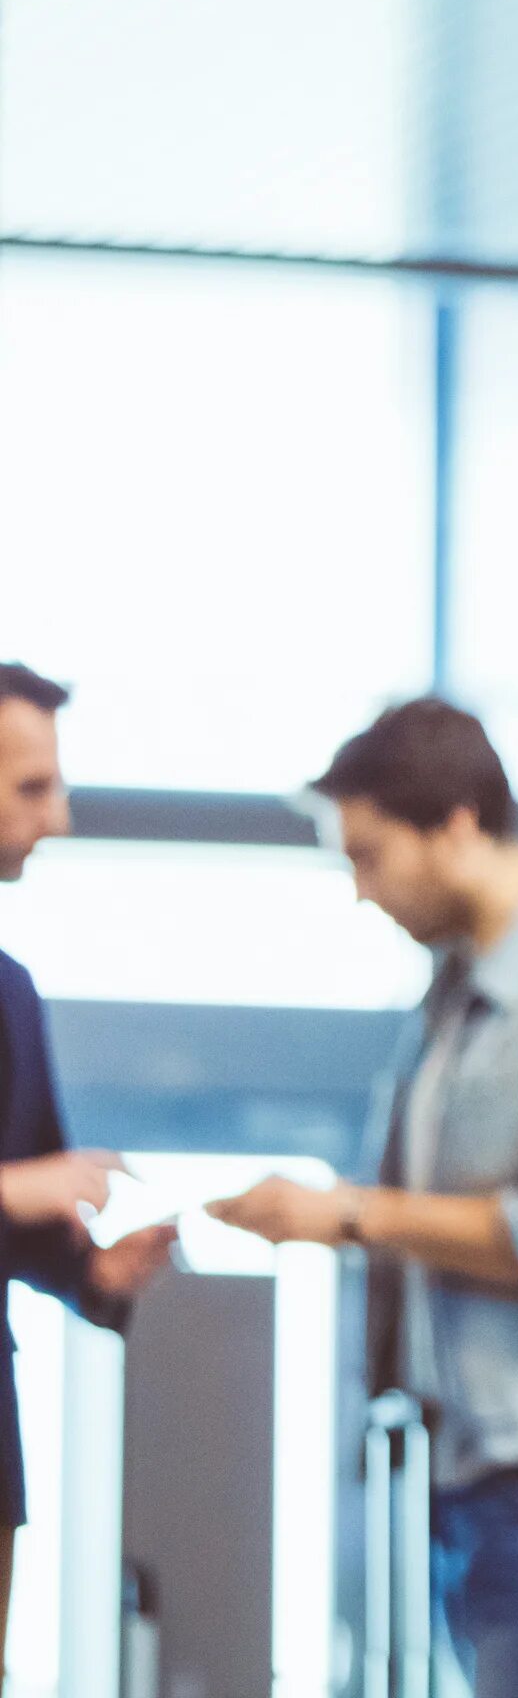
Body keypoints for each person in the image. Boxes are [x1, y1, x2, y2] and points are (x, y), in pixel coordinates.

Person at [211, 698, 518, 1698]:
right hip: (477, 1460)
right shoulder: (460, 992)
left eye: (369, 854)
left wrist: (347, 1213)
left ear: (455, 824)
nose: (361, 891)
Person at [0, 664, 181, 1663]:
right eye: (32, 786)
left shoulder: (13, 993)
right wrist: (17, 1184)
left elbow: (28, 1225)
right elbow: (21, 1186)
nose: (58, 817)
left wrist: (91, 1276)